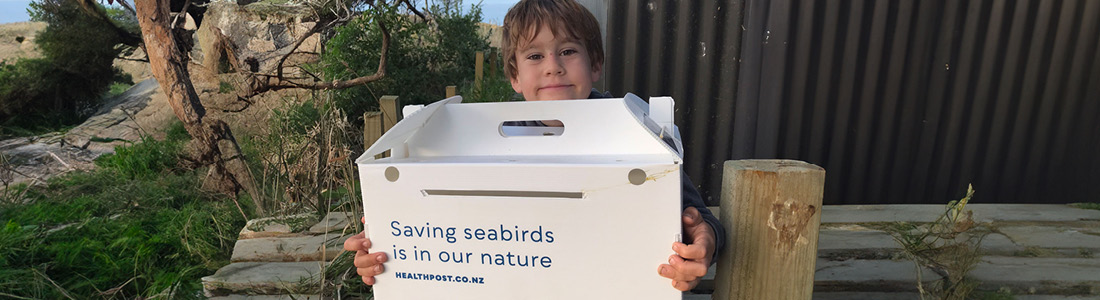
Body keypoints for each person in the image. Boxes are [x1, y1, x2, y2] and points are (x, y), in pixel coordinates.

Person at [343, 0, 725, 292]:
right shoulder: (483, 144)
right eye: (535, 56)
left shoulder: (637, 132)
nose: (553, 67)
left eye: (568, 51)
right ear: (514, 75)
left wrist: (703, 240)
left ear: (595, 65)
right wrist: (388, 246)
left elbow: (701, 220)